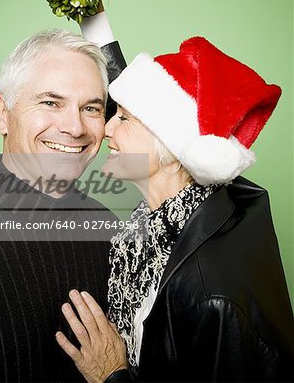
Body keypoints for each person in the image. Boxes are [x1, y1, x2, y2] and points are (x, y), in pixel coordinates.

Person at [56, 37, 294, 382]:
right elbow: (160, 110)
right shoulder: (177, 218)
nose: (106, 128)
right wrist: (94, 18)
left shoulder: (211, 295)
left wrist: (112, 374)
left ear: (170, 146)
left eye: (122, 118)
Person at [0, 10, 126, 382]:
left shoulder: (110, 230)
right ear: (3, 114)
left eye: (91, 108)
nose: (74, 127)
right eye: (50, 102)